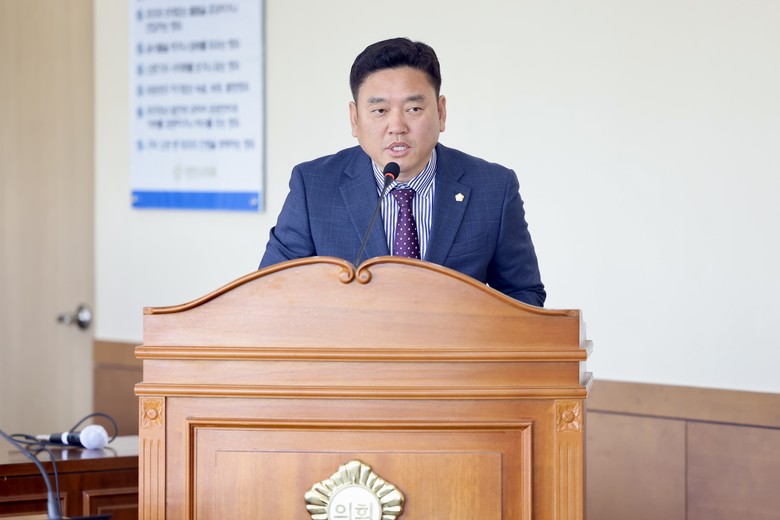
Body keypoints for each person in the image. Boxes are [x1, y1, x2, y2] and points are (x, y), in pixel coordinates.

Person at [260, 37, 546, 306]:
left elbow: (523, 294)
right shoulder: (313, 187)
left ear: (441, 112)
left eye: (414, 109)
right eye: (380, 111)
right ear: (354, 119)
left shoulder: (494, 188)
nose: (397, 127)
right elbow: (270, 294)